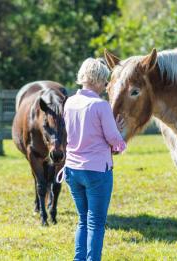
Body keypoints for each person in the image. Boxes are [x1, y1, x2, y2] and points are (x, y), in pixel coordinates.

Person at [60, 58, 126, 261]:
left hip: (72, 169)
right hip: (97, 170)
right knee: (96, 223)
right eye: (105, 82)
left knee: (83, 219)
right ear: (98, 80)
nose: (106, 86)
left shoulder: (70, 102)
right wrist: (121, 143)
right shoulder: (101, 105)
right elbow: (113, 138)